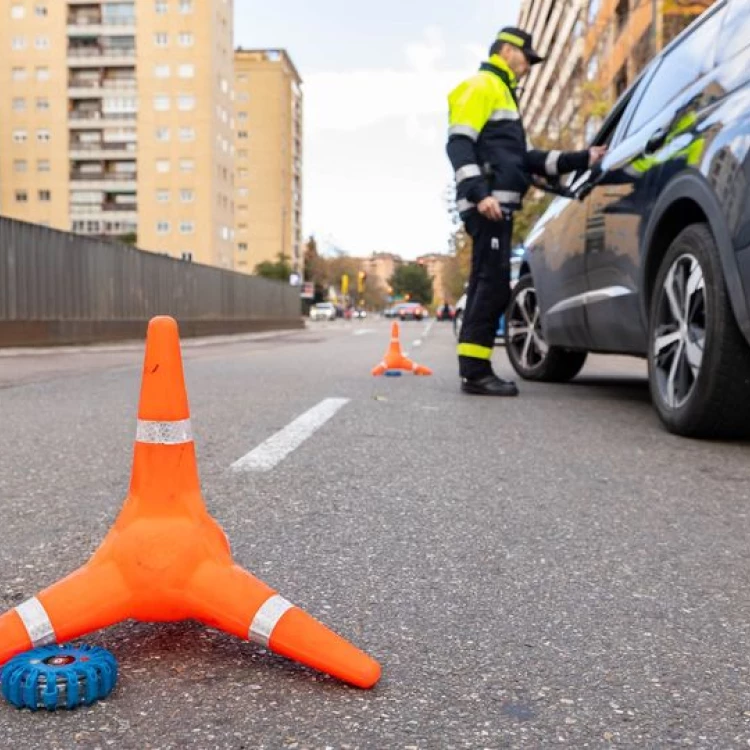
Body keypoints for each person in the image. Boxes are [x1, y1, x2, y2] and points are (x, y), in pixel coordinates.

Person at [446, 27, 607, 396]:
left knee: (490, 284)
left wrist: (584, 158)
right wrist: (479, 193)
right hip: (488, 207)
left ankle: (474, 369)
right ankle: (475, 373)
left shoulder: (504, 96)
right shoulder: (482, 85)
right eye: (528, 59)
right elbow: (458, 144)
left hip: (497, 207)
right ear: (507, 50)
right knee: (492, 286)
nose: (530, 67)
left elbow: (529, 159)